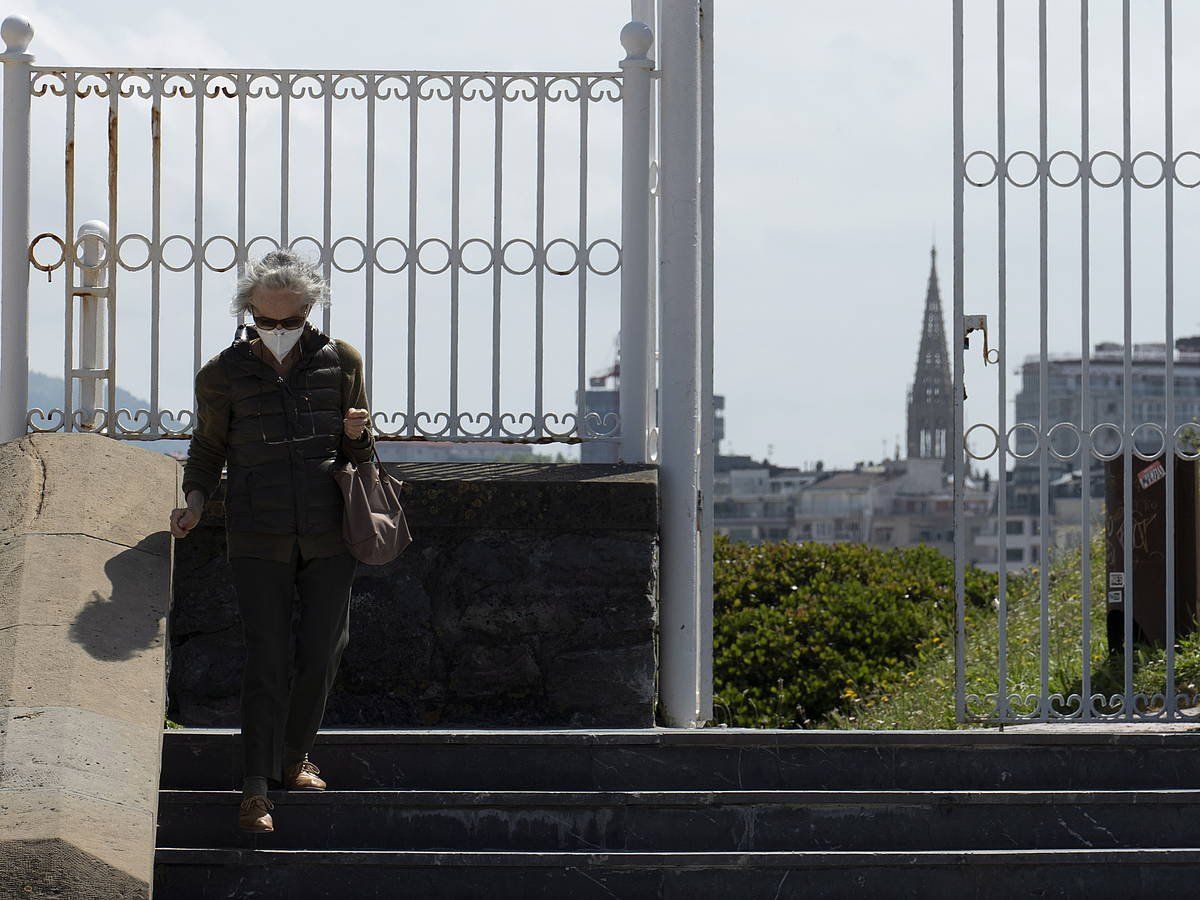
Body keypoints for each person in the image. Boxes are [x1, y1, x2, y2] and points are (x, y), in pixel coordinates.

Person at [168, 249, 375, 834]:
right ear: (248, 313)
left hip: (329, 531)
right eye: (266, 320)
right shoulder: (221, 374)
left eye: (289, 321)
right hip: (257, 533)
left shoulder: (343, 361)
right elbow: (208, 452)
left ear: (309, 312)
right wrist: (196, 504)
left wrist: (357, 434)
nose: (278, 331)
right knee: (267, 657)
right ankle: (255, 787)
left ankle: (294, 758)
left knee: (322, 652)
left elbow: (362, 455)